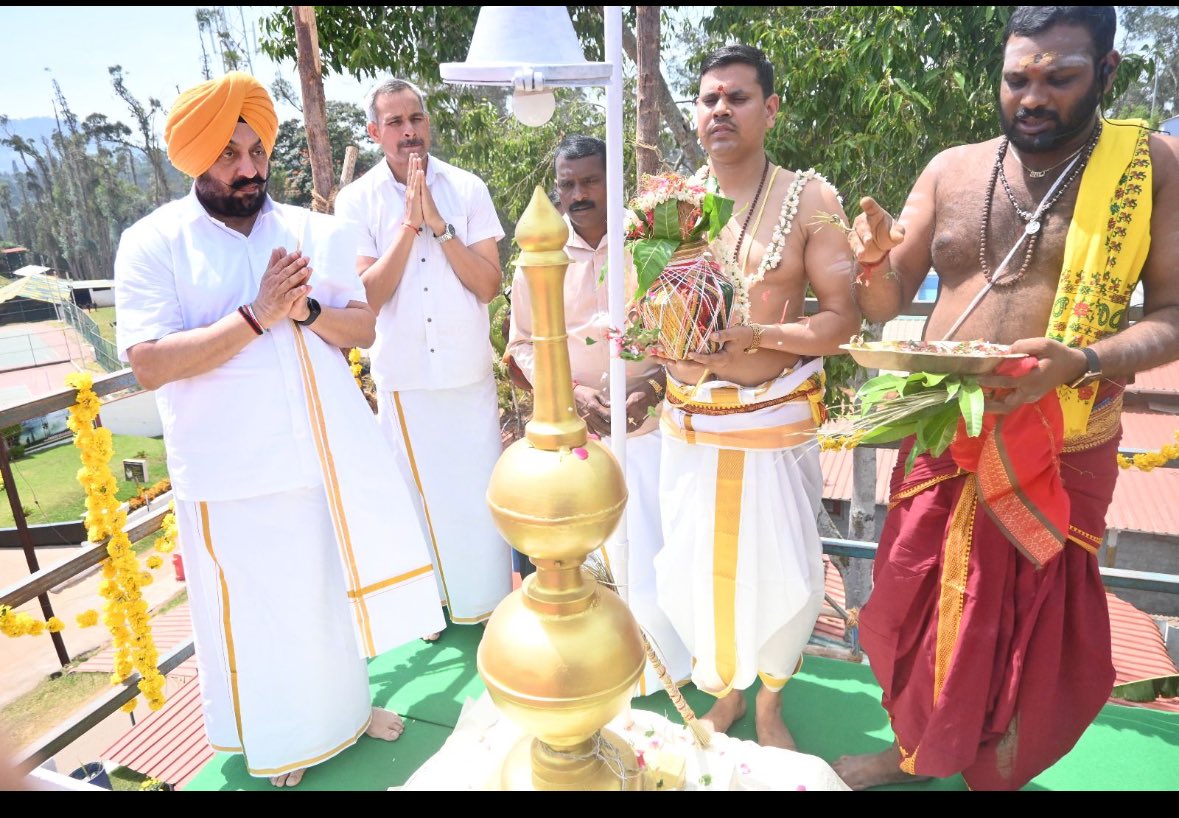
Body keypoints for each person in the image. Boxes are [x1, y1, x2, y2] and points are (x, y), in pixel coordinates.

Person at [835, 6, 1179, 790]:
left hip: (1062, 433)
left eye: (1059, 78)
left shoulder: (1148, 167)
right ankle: (915, 751)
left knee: (1028, 624)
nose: (1032, 97)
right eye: (1016, 78)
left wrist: (1083, 359)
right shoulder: (950, 167)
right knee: (908, 596)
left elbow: (1172, 315)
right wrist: (871, 263)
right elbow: (885, 305)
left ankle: (995, 767)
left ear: (1107, 71)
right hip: (943, 427)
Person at [114, 72, 444, 787]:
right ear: (194, 158)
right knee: (262, 619)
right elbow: (146, 364)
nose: (247, 167)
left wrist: (307, 314)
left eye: (256, 149)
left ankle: (350, 716)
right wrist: (257, 314)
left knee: (327, 601)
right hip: (230, 472)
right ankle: (285, 742)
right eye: (228, 154)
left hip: (319, 456)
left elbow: (359, 326)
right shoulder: (153, 243)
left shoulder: (311, 231)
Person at [652, 45, 860, 749]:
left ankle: (770, 705)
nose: (719, 110)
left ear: (768, 109)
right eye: (709, 98)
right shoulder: (668, 203)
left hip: (770, 423)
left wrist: (755, 332)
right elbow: (646, 307)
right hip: (690, 428)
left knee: (786, 577)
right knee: (689, 572)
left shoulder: (811, 199)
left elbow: (841, 321)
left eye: (736, 98)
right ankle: (725, 695)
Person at [503, 135, 692, 694]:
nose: (578, 194)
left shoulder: (651, 247)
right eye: (567, 183)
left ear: (614, 182)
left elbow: (684, 335)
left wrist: (654, 386)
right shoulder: (538, 258)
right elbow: (521, 348)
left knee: (659, 560)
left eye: (590, 181)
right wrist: (569, 398)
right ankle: (600, 676)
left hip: (652, 429)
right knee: (593, 570)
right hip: (576, 439)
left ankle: (670, 673)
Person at [334, 78, 512, 633]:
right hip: (405, 378)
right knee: (413, 498)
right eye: (395, 122)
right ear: (374, 131)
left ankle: (486, 603)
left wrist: (440, 224)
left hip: (466, 373)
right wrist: (410, 227)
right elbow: (367, 296)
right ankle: (426, 608)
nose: (409, 132)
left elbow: (488, 285)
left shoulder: (466, 187)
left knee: (477, 495)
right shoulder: (356, 200)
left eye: (416, 118)